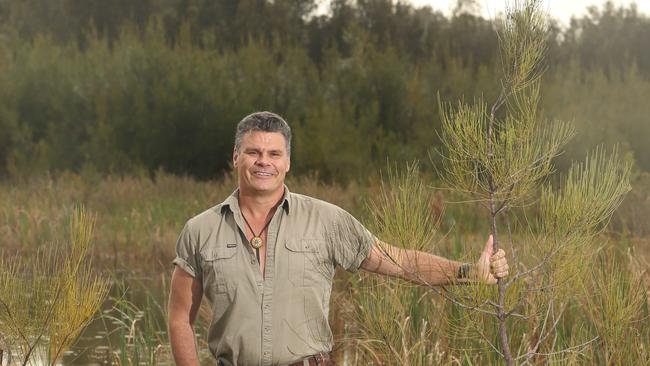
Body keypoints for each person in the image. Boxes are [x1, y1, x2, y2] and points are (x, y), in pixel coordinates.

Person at [168, 111, 509, 366]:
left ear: (288, 161)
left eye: (273, 154)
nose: (263, 162)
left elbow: (399, 262)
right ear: (235, 156)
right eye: (253, 152)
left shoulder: (326, 220)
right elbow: (180, 317)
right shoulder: (201, 230)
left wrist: (469, 273)